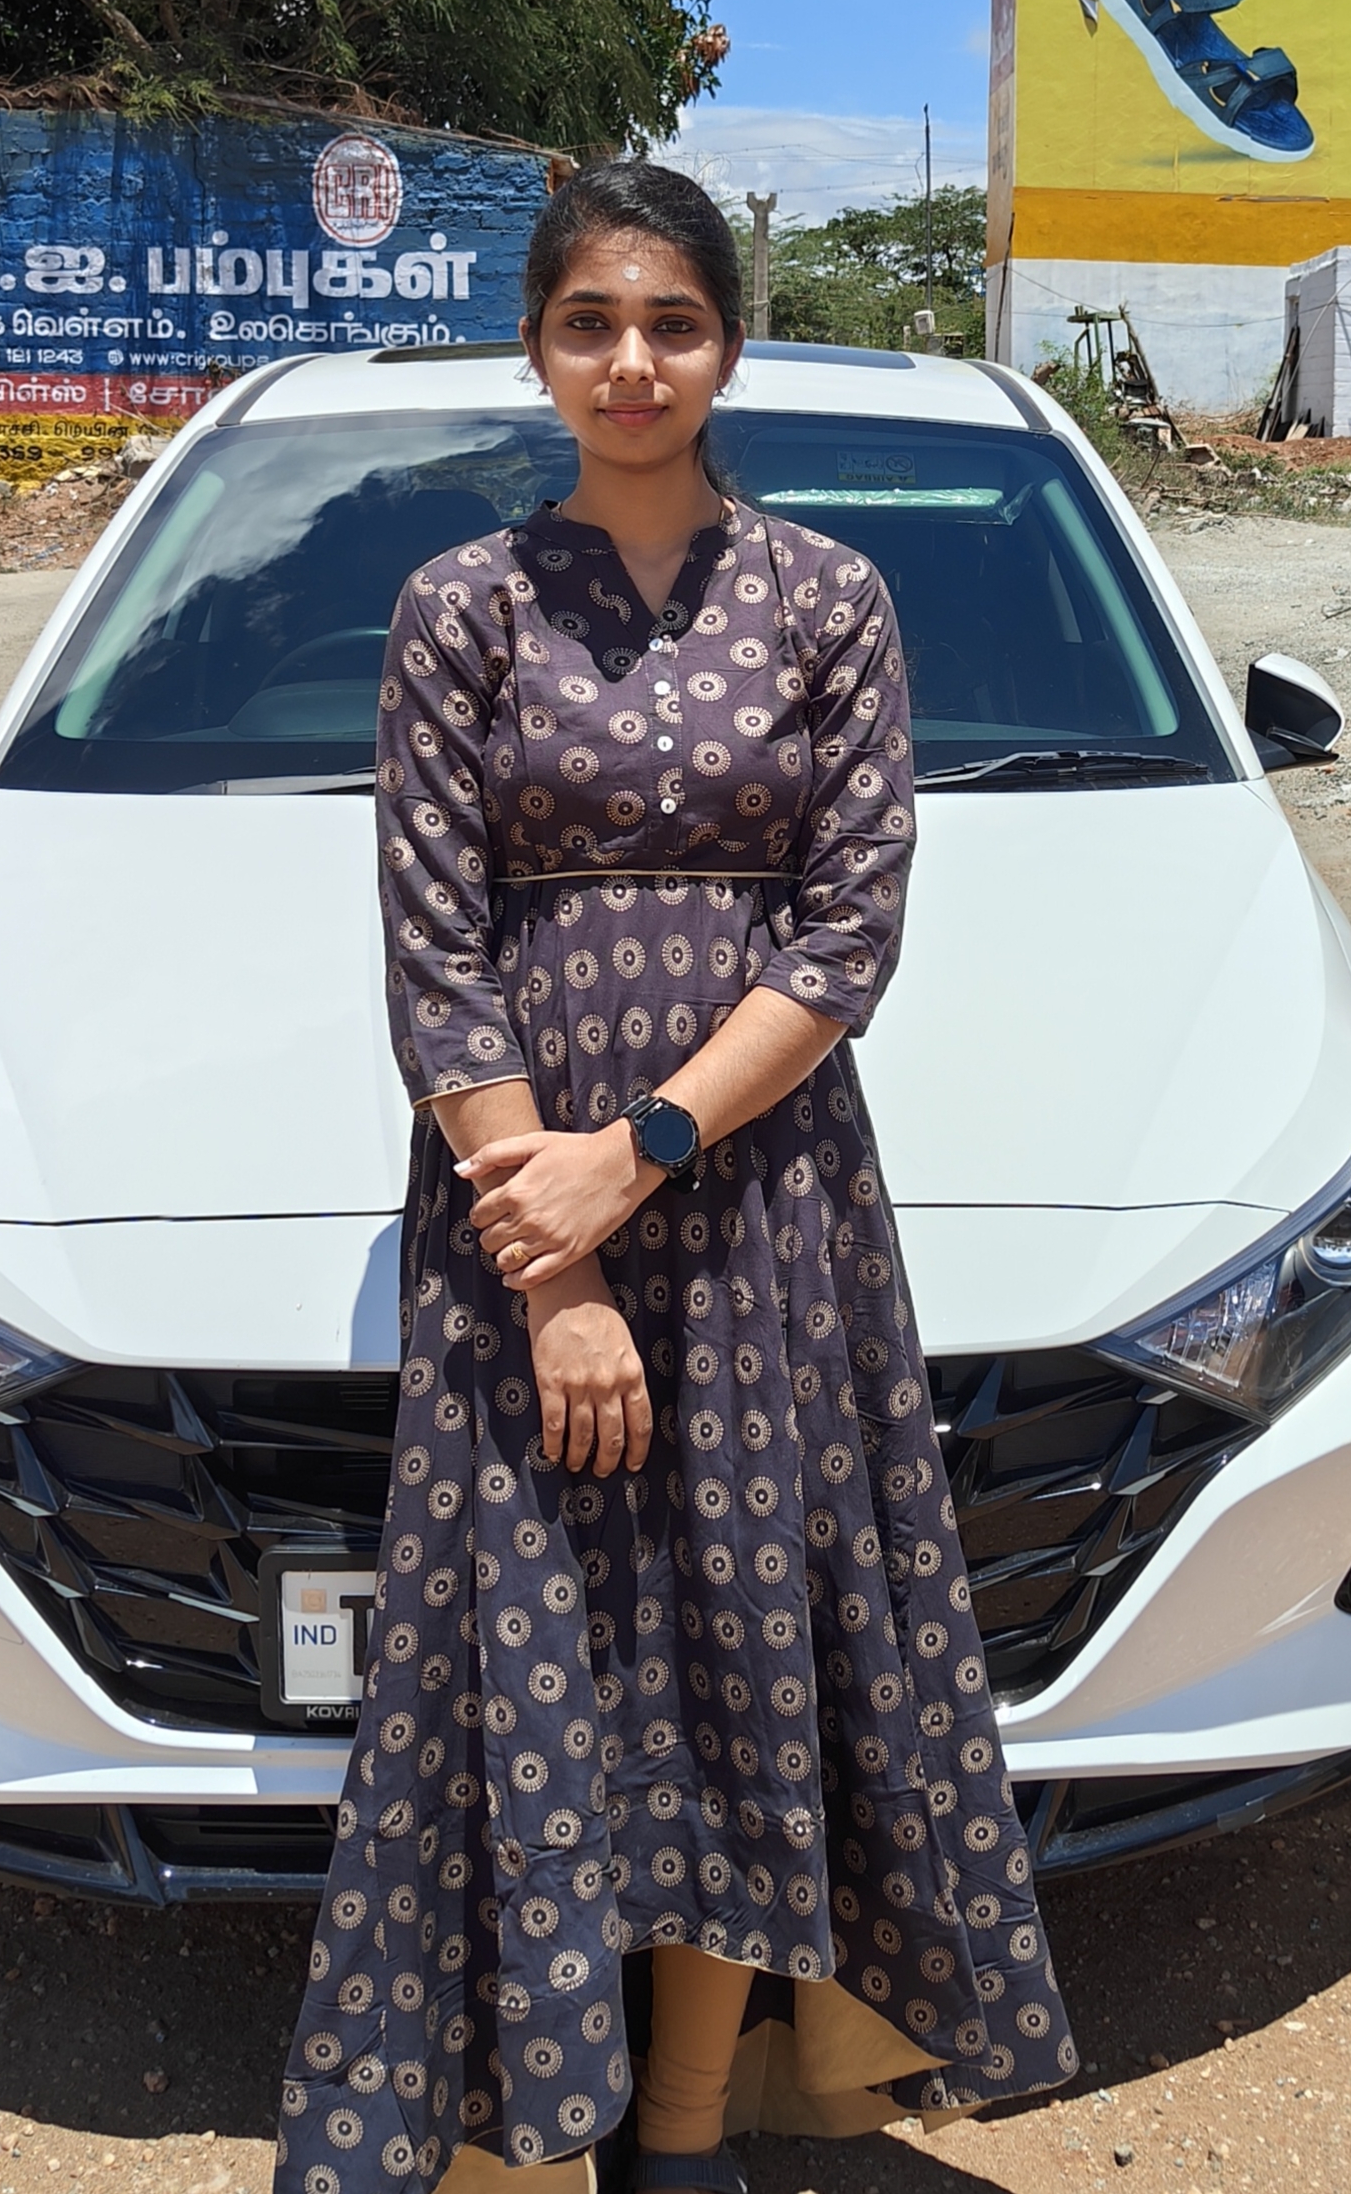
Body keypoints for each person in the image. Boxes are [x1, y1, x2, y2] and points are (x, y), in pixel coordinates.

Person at [274, 163, 1076, 2194]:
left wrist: (630, 1159)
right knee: (536, 1647)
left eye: (673, 323)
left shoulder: (828, 598)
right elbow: (435, 950)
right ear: (537, 349)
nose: (631, 362)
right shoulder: (461, 605)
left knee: (740, 1649)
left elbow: (847, 931)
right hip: (510, 1210)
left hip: (759, 1200)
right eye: (589, 323)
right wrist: (549, 1266)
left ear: (728, 344)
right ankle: (538, 2119)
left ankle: (694, 2121)